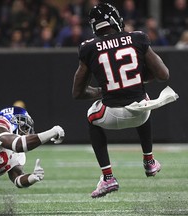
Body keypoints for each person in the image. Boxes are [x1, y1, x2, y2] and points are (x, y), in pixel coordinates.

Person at [72, 3, 179, 198]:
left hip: (111, 114)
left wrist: (101, 90)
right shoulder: (137, 38)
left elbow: (77, 92)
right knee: (143, 100)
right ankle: (149, 161)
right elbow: (164, 75)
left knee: (91, 117)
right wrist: (139, 78)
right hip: (141, 113)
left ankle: (108, 177)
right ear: (115, 20)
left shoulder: (88, 48)